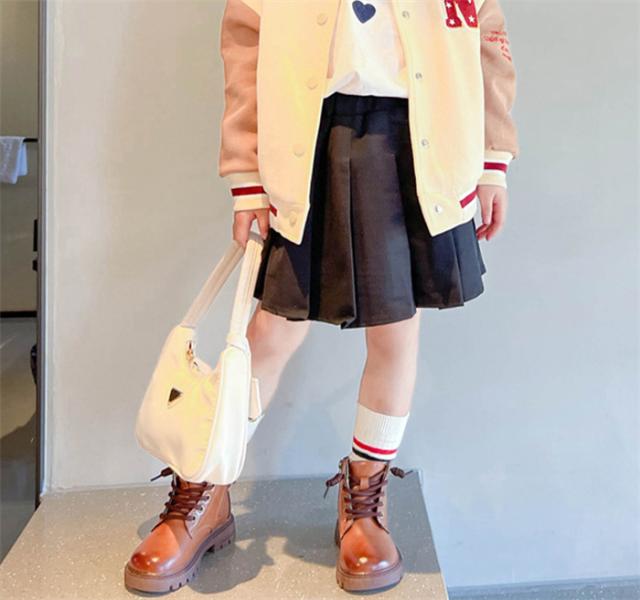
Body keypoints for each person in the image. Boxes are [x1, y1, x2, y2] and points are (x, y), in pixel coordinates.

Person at [124, 0, 519, 594]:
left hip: (422, 139)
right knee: (272, 328)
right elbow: (246, 39)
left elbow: (487, 33)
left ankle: (364, 498)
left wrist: (492, 159)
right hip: (306, 136)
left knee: (396, 328)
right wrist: (246, 174)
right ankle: (204, 485)